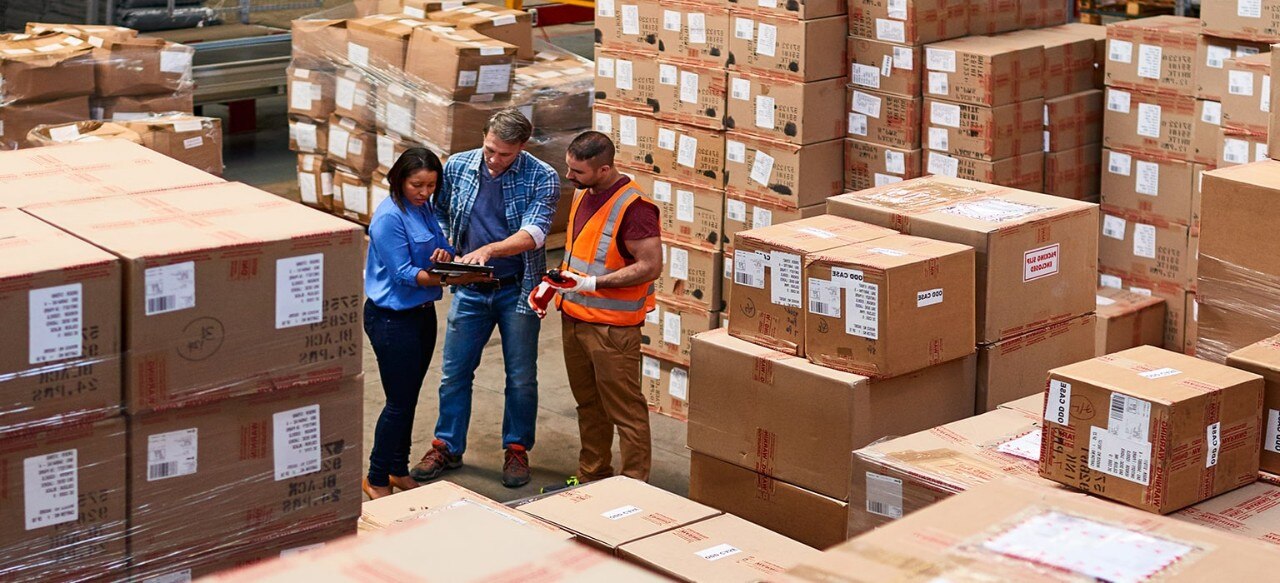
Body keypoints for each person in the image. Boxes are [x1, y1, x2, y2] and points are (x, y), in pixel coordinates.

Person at [413, 108, 561, 488]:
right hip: (470, 290)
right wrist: (445, 246)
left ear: (522, 148)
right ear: (484, 137)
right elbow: (440, 214)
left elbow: (536, 231)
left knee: (522, 376)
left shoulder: (540, 176)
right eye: (490, 150)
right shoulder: (459, 166)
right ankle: (447, 445)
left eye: (505, 154)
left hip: (516, 288)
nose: (495, 160)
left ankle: (516, 448)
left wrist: (491, 251)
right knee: (454, 373)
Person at [361, 148, 492, 500]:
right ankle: (375, 477)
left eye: (431, 185)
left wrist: (446, 255)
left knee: (409, 396)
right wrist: (451, 280)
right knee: (398, 402)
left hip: (420, 315)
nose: (424, 192)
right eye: (417, 185)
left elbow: (440, 244)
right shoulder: (389, 217)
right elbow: (403, 274)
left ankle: (397, 468)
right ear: (399, 180)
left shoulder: (424, 208)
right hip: (391, 319)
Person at [546, 130, 661, 490]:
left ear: (605, 168)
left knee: (625, 411)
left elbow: (650, 265)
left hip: (612, 329)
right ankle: (592, 475)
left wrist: (594, 284)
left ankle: (632, 486)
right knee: (589, 405)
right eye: (568, 168)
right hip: (575, 320)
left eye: (577, 172)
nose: (569, 178)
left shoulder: (635, 208)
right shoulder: (584, 194)